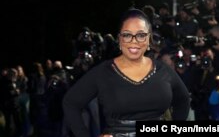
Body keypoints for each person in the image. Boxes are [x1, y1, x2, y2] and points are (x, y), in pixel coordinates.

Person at [63, 8, 190, 137]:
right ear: (119, 39)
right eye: (127, 35)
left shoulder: (163, 70)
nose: (134, 41)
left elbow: (183, 100)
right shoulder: (103, 72)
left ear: (148, 40)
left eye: (140, 35)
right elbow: (71, 103)